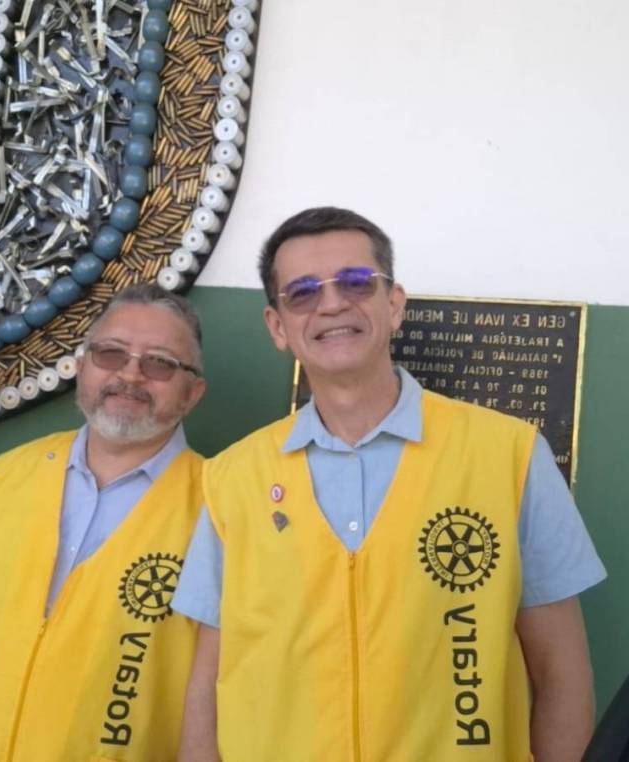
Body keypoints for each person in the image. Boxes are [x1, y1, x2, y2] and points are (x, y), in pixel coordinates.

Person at [174, 207, 606, 762]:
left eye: (356, 282)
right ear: (277, 327)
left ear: (394, 304)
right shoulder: (232, 478)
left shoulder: (510, 455)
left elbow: (562, 676)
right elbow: (207, 683)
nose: (332, 304)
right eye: (302, 293)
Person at [0, 283, 208, 762]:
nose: (130, 374)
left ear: (192, 394)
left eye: (160, 363)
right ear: (81, 366)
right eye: (110, 353)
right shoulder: (5, 476)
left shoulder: (218, 505)